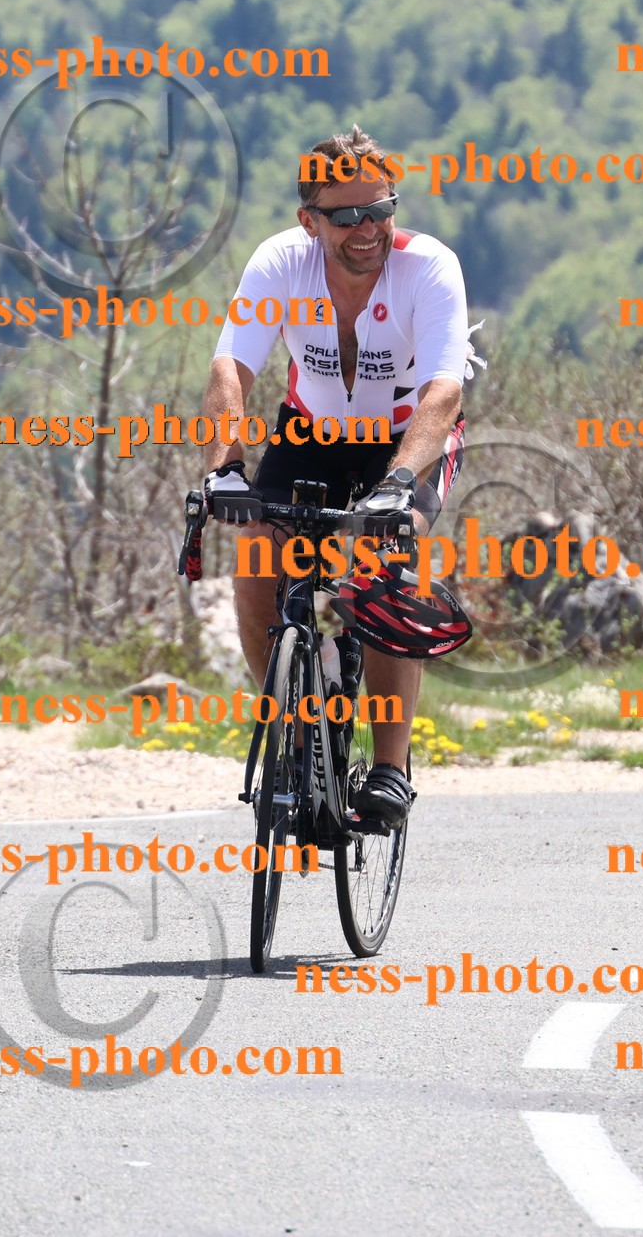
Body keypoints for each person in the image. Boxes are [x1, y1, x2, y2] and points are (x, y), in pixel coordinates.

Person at [200, 125, 473, 828]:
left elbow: (445, 390)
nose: (368, 229)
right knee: (259, 559)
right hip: (312, 434)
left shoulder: (430, 266)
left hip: (408, 437)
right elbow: (231, 367)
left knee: (388, 561)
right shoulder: (279, 263)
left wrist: (398, 484)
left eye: (381, 209)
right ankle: (293, 732)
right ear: (309, 221)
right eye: (348, 216)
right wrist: (226, 470)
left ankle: (388, 768)